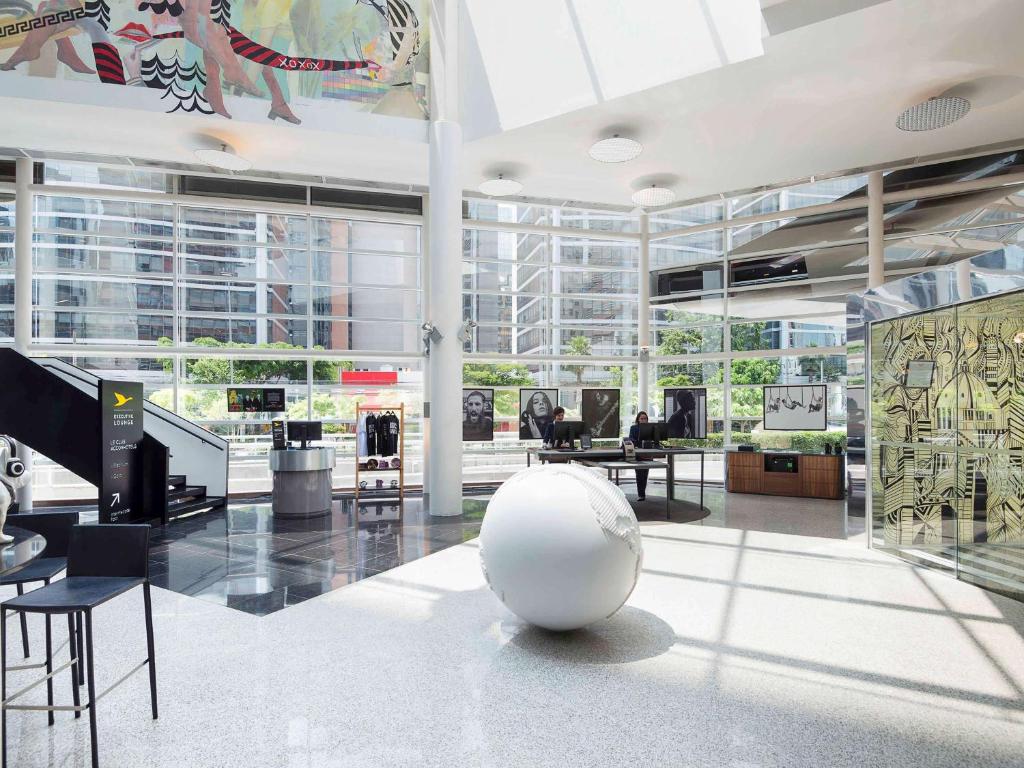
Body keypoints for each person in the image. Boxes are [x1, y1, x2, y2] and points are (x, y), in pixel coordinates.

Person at [627, 411, 650, 501]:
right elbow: (631, 439)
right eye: (642, 418)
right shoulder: (633, 428)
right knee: (639, 474)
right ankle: (641, 494)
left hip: (648, 453)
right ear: (638, 419)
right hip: (638, 453)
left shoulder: (651, 428)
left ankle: (642, 493)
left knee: (645, 474)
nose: (644, 420)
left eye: (645, 418)